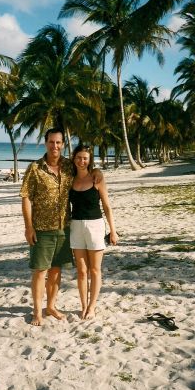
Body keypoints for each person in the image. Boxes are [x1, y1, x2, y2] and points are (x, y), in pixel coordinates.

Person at [20, 128, 102, 326]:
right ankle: (37, 312)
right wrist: (28, 227)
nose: (54, 146)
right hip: (41, 228)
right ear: (45, 142)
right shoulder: (35, 168)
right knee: (40, 271)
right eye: (51, 142)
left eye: (58, 143)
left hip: (64, 228)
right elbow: (26, 198)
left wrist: (97, 171)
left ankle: (51, 306)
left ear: (63, 144)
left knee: (56, 271)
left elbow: (86, 169)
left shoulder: (68, 166)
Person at [69, 144, 118, 320]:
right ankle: (83, 305)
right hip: (76, 227)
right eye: (78, 157)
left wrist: (113, 231)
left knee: (95, 270)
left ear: (90, 161)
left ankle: (92, 306)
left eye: (85, 158)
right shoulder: (70, 179)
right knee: (82, 271)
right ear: (74, 159)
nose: (81, 161)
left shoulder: (97, 178)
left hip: (95, 226)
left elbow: (106, 206)